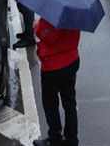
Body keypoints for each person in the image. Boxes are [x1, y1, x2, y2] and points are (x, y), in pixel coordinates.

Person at [32, 17, 81, 146]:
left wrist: (37, 26)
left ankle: (54, 139)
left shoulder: (52, 13)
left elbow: (49, 36)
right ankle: (72, 140)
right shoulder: (74, 10)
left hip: (54, 64)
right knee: (69, 102)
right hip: (72, 58)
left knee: (50, 103)